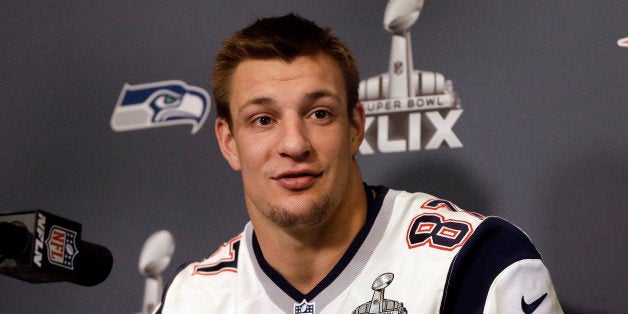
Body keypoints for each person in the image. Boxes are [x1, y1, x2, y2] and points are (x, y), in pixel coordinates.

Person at [155, 13, 562, 313]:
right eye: (263, 120)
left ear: (354, 127)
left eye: (319, 114)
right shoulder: (192, 299)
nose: (294, 144)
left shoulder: (474, 263)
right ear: (229, 142)